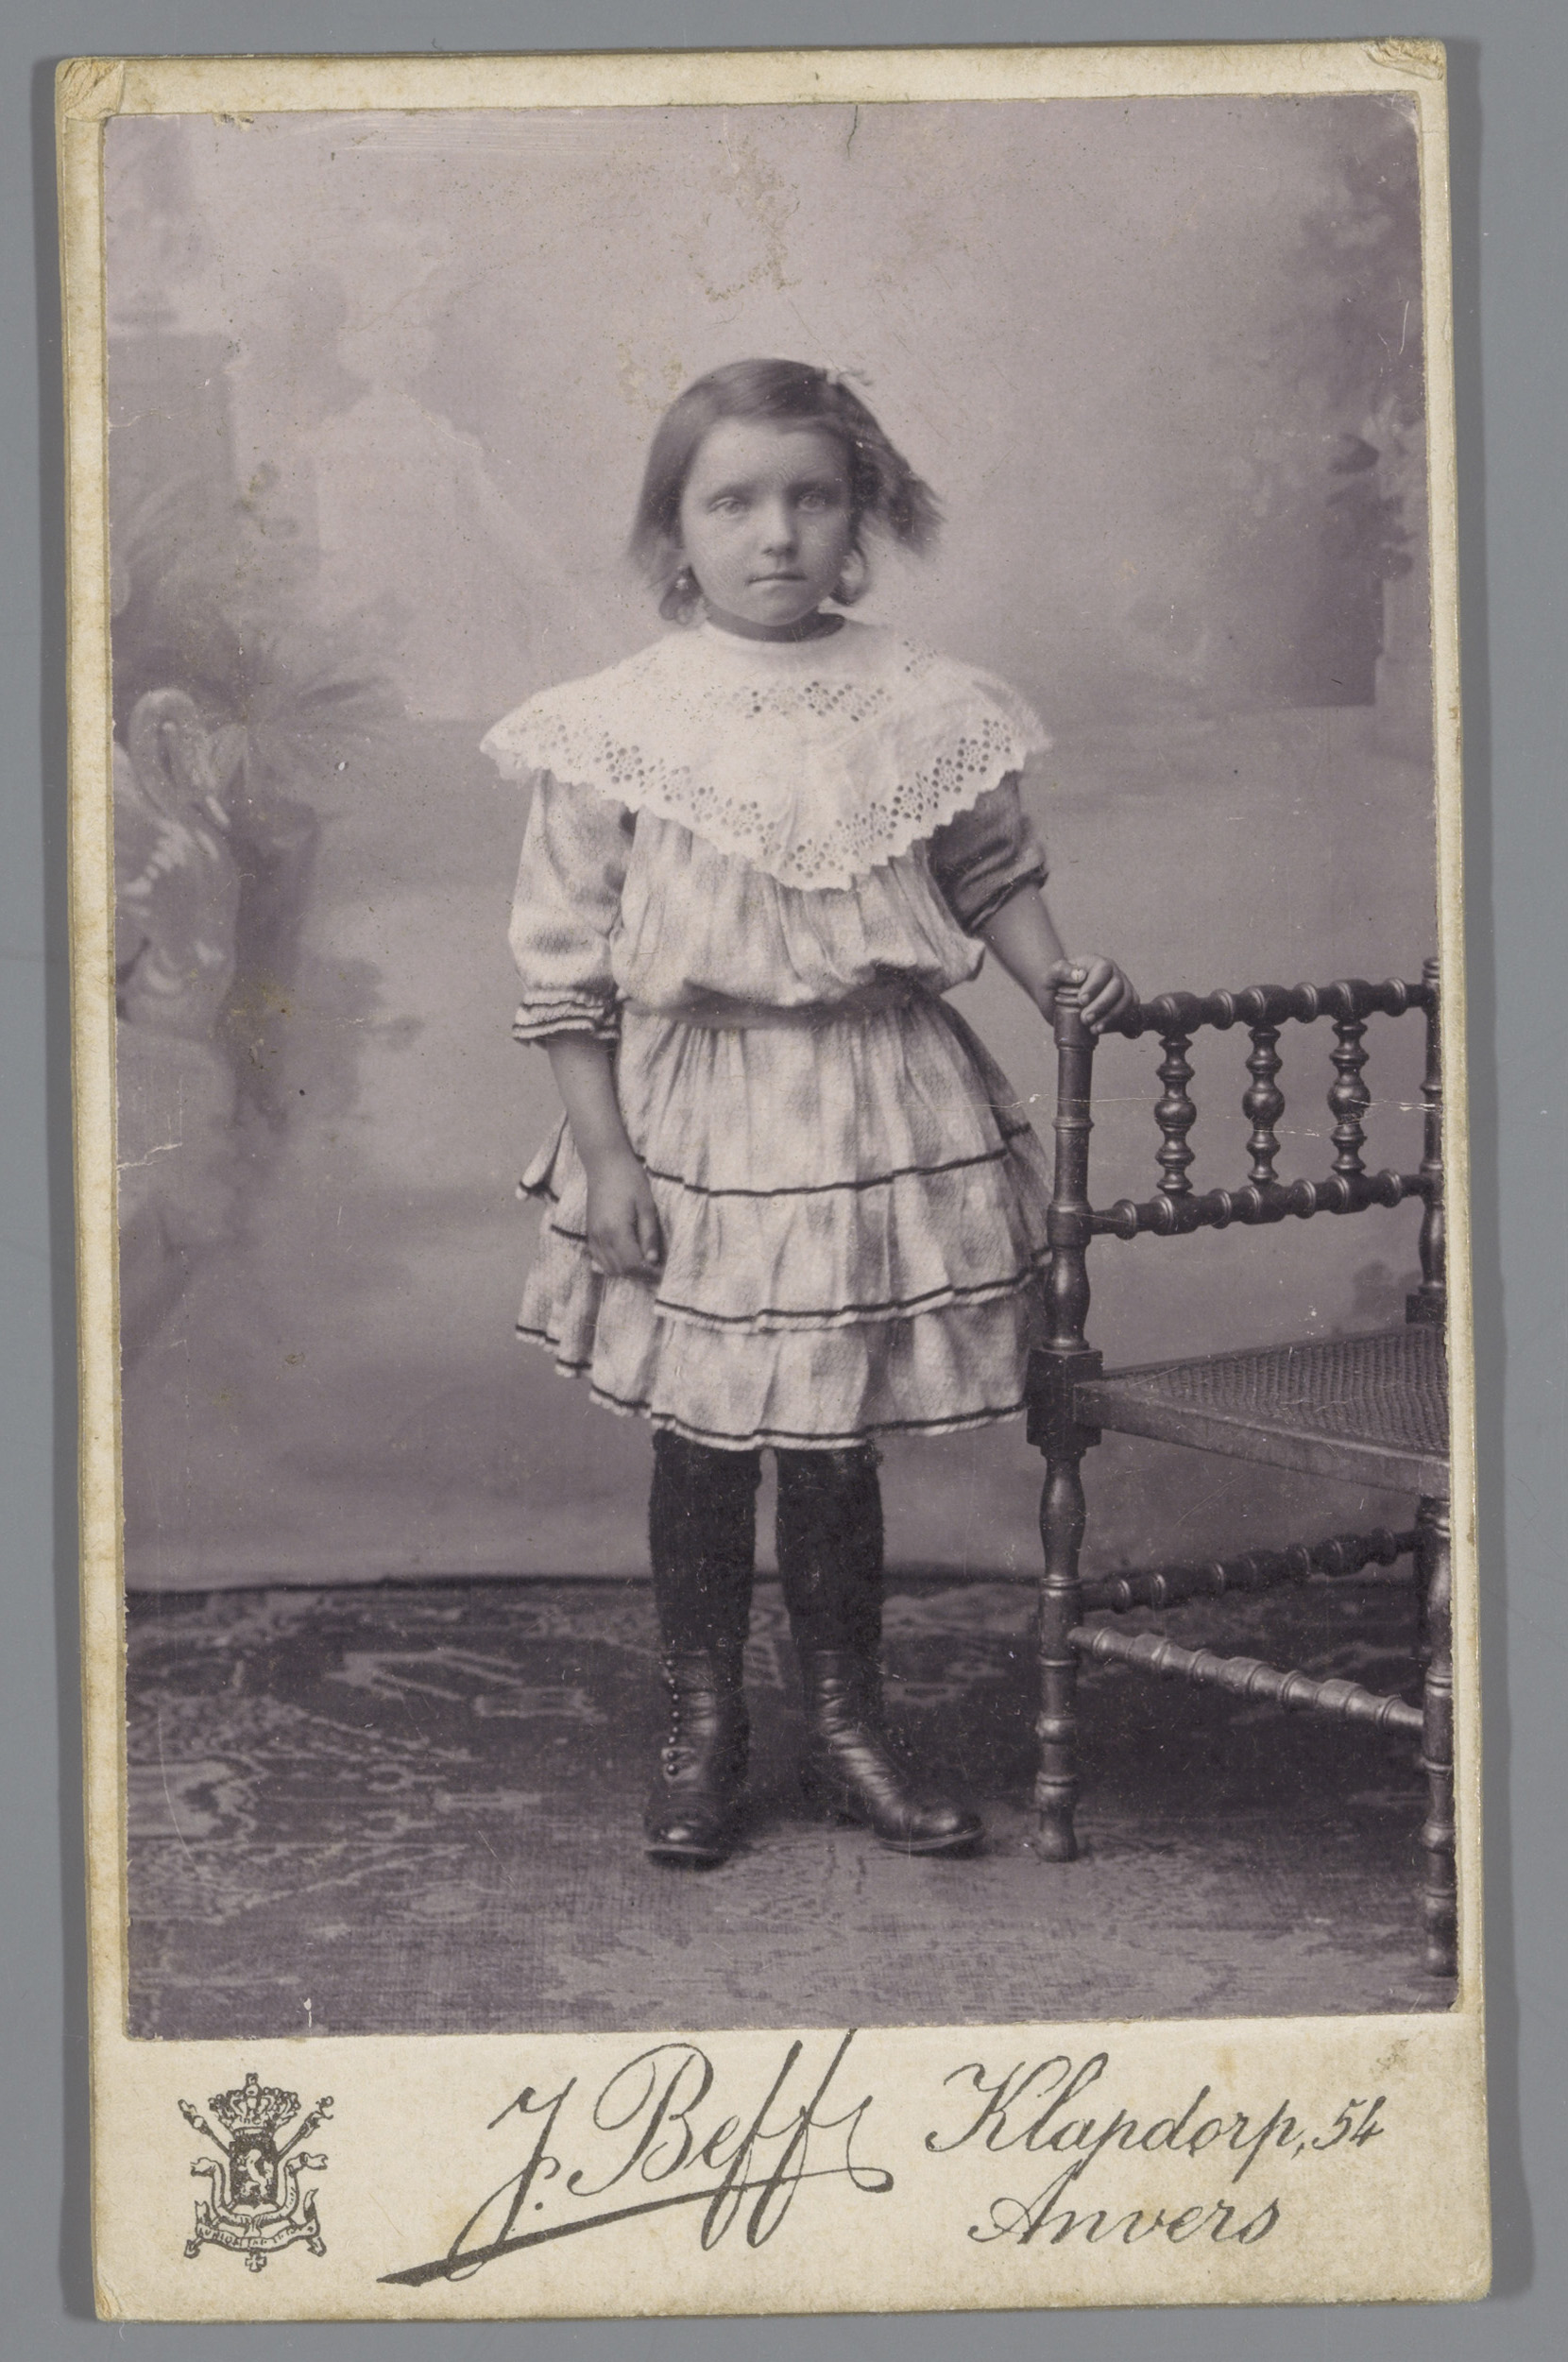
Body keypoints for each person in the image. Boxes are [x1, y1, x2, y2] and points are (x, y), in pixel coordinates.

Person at [484, 358, 1133, 1870]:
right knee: (704, 1444)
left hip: (871, 1105)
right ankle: (703, 1728)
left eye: (812, 498)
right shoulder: (614, 726)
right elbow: (566, 964)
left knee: (838, 1442)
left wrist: (1059, 980)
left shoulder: (926, 704)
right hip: (697, 1115)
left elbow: (992, 874)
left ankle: (850, 1730)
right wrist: (607, 1158)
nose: (775, 534)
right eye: (732, 503)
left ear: (862, 517)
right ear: (674, 530)